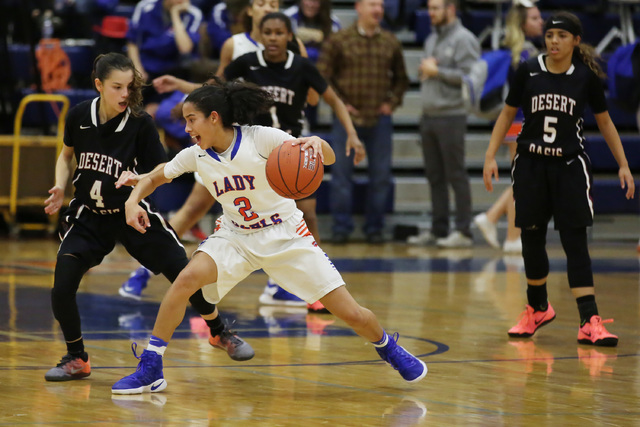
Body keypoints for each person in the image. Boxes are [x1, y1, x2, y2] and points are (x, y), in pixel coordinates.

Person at [110, 79, 427, 394]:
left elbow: (326, 157)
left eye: (191, 119)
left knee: (351, 313)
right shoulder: (196, 155)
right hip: (235, 236)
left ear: (214, 117)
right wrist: (132, 200)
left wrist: (318, 143)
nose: (187, 128)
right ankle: (151, 366)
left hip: (287, 236)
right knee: (185, 279)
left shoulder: (260, 139)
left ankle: (388, 347)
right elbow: (155, 176)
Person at [42, 53, 254, 382]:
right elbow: (66, 154)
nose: (125, 93)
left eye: (129, 86)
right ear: (98, 85)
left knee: (183, 273)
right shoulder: (80, 115)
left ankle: (218, 330)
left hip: (133, 212)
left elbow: (159, 171)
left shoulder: (140, 123)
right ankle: (76, 357)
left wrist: (136, 193)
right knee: (62, 287)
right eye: (117, 87)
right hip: (89, 216)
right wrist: (58, 185)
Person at [122, 0, 344, 311]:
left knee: (299, 216)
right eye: (261, 4)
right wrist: (185, 91)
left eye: (274, 6)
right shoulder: (237, 47)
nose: (267, 9)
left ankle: (292, 288)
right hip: (236, 148)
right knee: (191, 212)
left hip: (281, 152)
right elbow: (215, 89)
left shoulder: (298, 58)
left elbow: (314, 95)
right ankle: (142, 274)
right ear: (251, 11)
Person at [483, 12, 635, 346]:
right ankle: (537, 308)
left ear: (576, 41)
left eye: (562, 36)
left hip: (569, 166)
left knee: (574, 242)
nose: (553, 40)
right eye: (550, 34)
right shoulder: (529, 70)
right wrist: (490, 155)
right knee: (532, 240)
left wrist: (623, 164)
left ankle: (589, 319)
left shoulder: (585, 77)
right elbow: (507, 114)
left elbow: (606, 123)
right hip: (531, 165)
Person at [316, 0, 409, 244]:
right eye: (372, 4)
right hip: (346, 121)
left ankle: (374, 228)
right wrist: (339, 103)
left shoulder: (391, 41)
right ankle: (341, 228)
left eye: (380, 5)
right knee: (341, 177)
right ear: (358, 7)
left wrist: (392, 102)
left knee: (380, 177)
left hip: (379, 120)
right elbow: (322, 78)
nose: (377, 10)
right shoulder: (339, 40)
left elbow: (402, 79)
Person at [473, 0, 543, 254]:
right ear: (523, 23)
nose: (541, 22)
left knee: (522, 179)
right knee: (523, 179)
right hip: (521, 121)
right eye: (535, 18)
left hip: (512, 122)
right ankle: (509, 233)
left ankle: (498, 224)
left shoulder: (512, 50)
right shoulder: (527, 54)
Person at [407, 0, 479, 248]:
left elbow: (471, 79)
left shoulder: (464, 39)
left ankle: (463, 231)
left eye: (436, 8)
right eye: (429, 8)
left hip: (451, 115)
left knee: (455, 174)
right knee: (435, 176)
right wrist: (427, 72)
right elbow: (431, 71)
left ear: (450, 9)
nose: (430, 13)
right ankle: (439, 231)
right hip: (429, 116)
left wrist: (438, 73)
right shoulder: (431, 39)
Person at [126, 0, 203, 116]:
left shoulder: (193, 13)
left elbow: (185, 48)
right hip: (144, 68)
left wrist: (175, 15)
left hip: (173, 73)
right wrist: (137, 68)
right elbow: (132, 42)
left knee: (155, 113)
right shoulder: (145, 6)